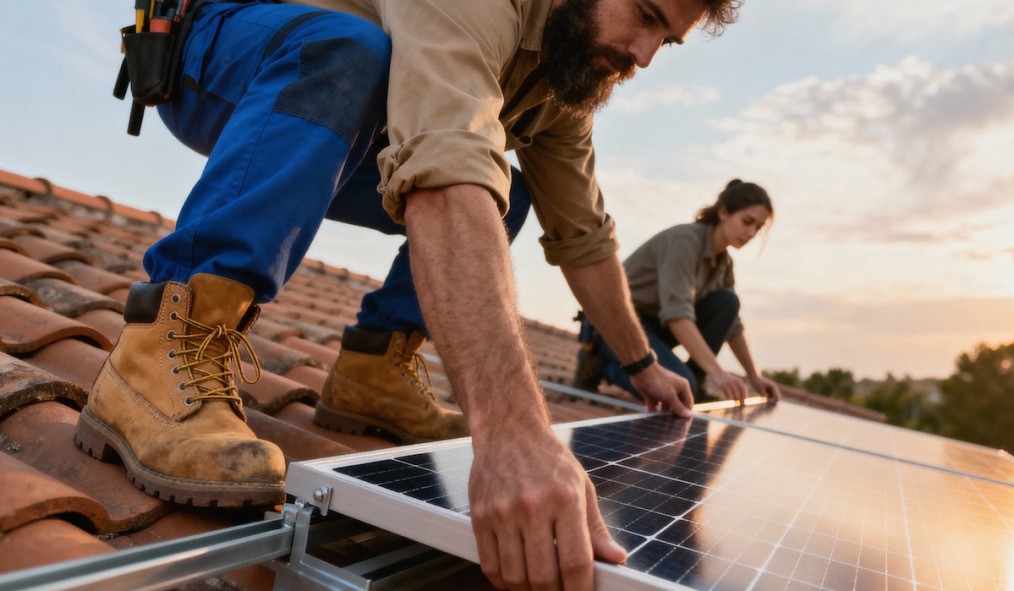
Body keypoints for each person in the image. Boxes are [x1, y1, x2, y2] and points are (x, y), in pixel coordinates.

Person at [76, 0, 743, 588]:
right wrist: (512, 435)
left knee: (508, 191)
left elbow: (584, 236)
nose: (646, 56)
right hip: (220, 45)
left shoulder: (563, 77)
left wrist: (639, 363)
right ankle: (162, 344)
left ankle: (374, 370)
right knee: (352, 54)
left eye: (669, 41)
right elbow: (446, 171)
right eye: (648, 16)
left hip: (337, 99)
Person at [575, 179, 782, 404]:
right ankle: (598, 365)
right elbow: (677, 316)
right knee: (679, 392)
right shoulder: (684, 241)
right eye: (747, 221)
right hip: (616, 327)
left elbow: (733, 326)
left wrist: (754, 377)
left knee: (727, 302)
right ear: (723, 212)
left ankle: (695, 382)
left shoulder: (724, 263)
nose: (751, 232)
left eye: (758, 227)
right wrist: (719, 374)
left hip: (654, 328)